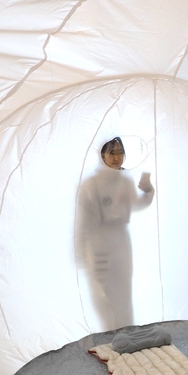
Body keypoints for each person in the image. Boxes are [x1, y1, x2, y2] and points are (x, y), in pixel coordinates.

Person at [75, 137, 154, 330]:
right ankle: (110, 342)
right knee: (103, 296)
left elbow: (135, 204)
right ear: (102, 155)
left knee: (124, 293)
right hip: (99, 243)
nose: (117, 157)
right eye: (112, 152)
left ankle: (127, 339)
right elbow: (83, 224)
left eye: (120, 152)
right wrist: (82, 255)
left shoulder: (125, 181)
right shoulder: (90, 185)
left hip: (121, 242)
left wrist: (148, 191)